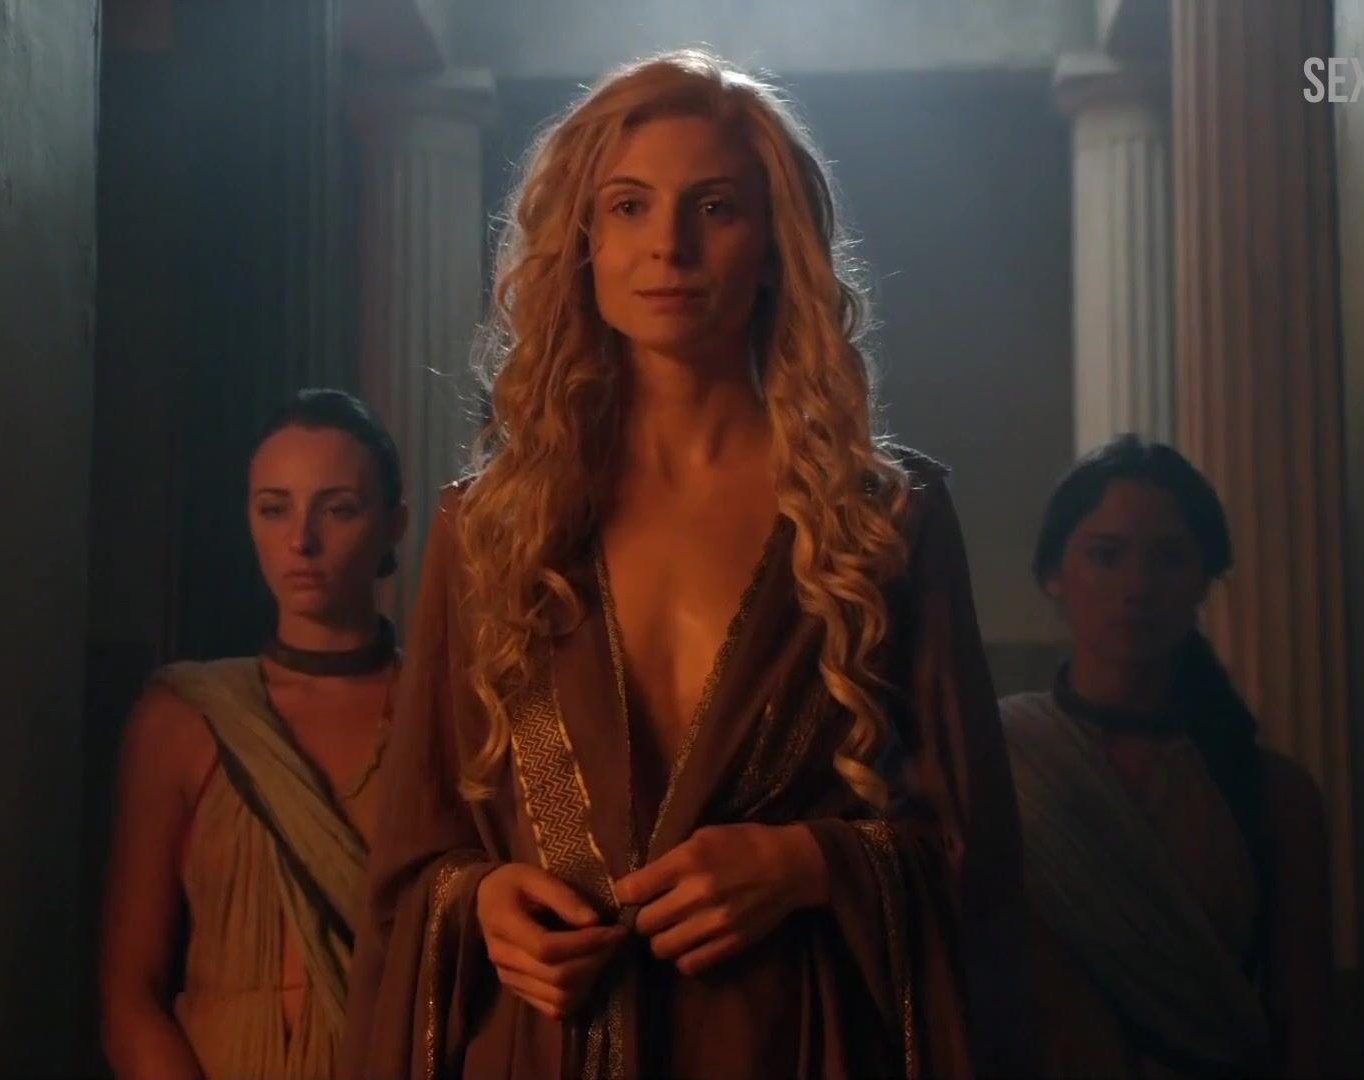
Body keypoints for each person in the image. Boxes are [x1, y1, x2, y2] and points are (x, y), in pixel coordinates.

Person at [341, 49, 1028, 1080]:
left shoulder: (882, 520)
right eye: (628, 207)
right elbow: (412, 863)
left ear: (776, 247)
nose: (668, 245)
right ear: (583, 242)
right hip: (543, 1043)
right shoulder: (488, 529)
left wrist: (808, 864)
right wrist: (485, 904)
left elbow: (978, 857)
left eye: (714, 208)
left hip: (784, 1041)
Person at [100, 390, 410, 1079]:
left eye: (338, 509)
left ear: (394, 525)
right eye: (274, 509)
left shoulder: (442, 712)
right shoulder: (186, 717)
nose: (301, 541)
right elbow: (129, 996)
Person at [1002, 434, 1333, 1078]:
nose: (1138, 586)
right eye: (1107, 556)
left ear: (1204, 580)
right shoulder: (1001, 759)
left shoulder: (1273, 796)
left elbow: (1306, 1026)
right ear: (1053, 575)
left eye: (1169, 558)